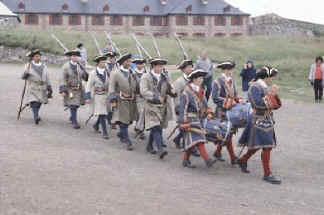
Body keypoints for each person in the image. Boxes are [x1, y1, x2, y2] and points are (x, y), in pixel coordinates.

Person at [237, 66, 282, 184]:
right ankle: (267, 174)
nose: (272, 79)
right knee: (267, 146)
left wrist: (274, 95)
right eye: (271, 77)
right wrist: (271, 95)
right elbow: (257, 104)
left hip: (267, 120)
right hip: (258, 120)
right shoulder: (254, 87)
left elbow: (277, 106)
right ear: (266, 77)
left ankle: (243, 159)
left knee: (259, 145)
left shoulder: (265, 87)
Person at [178, 69, 216, 168]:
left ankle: (185, 160)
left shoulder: (200, 90)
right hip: (189, 120)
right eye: (200, 78)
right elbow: (183, 108)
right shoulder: (186, 92)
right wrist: (184, 122)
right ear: (194, 79)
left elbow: (204, 104)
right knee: (199, 139)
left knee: (193, 141)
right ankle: (207, 159)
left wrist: (208, 112)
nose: (202, 80)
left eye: (202, 78)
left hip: (198, 119)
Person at [140, 58, 177, 159]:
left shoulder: (165, 77)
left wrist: (173, 92)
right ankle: (160, 149)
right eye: (159, 66)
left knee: (157, 127)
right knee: (155, 127)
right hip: (150, 106)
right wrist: (155, 97)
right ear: (154, 66)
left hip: (162, 107)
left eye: (162, 66)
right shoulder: (145, 77)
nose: (161, 68)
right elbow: (143, 91)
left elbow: (168, 89)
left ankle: (149, 146)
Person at [212, 61, 243, 165]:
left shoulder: (232, 80)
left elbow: (235, 94)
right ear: (224, 70)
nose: (230, 72)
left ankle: (217, 152)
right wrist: (229, 101)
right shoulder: (217, 82)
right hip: (222, 111)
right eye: (229, 70)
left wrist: (238, 99)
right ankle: (233, 157)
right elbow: (215, 98)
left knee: (227, 133)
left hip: (231, 111)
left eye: (231, 69)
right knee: (226, 133)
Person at [108, 53, 139, 151]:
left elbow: (137, 84)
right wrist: (113, 100)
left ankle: (121, 133)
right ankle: (128, 141)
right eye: (128, 61)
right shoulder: (115, 73)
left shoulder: (132, 72)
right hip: (120, 100)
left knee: (129, 120)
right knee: (124, 121)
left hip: (131, 101)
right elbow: (111, 87)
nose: (130, 63)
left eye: (130, 61)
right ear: (123, 62)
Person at [21, 49, 53, 124]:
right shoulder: (28, 65)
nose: (38, 58)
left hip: (42, 87)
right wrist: (26, 74)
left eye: (39, 56)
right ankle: (36, 117)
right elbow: (23, 76)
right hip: (33, 86)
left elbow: (47, 77)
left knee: (39, 103)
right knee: (34, 102)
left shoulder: (44, 66)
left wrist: (49, 87)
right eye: (36, 56)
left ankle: (36, 114)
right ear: (33, 57)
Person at [59, 49, 88, 129]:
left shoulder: (79, 66)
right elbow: (62, 78)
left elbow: (84, 77)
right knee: (73, 105)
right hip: (70, 89)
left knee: (77, 104)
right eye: (73, 56)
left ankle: (72, 116)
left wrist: (85, 73)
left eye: (76, 56)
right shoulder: (65, 67)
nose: (75, 58)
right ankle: (75, 122)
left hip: (79, 89)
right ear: (70, 57)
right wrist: (63, 89)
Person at [85, 55, 110, 139]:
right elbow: (88, 85)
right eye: (102, 62)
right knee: (102, 113)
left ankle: (96, 125)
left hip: (106, 96)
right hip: (98, 96)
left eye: (105, 62)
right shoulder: (93, 73)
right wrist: (87, 96)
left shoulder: (108, 72)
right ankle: (105, 132)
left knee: (105, 113)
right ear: (98, 63)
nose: (104, 64)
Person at [173, 59, 193, 149]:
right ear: (184, 69)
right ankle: (188, 147)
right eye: (189, 67)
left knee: (190, 126)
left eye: (191, 67)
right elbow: (176, 97)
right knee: (185, 128)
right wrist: (178, 108)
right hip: (182, 107)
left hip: (191, 108)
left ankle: (177, 139)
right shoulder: (179, 81)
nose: (191, 69)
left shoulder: (193, 79)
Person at [132, 57, 147, 140]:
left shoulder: (146, 73)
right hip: (136, 96)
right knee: (140, 113)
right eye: (138, 64)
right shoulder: (132, 73)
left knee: (143, 113)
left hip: (145, 97)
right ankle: (139, 129)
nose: (140, 65)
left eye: (141, 63)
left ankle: (139, 129)